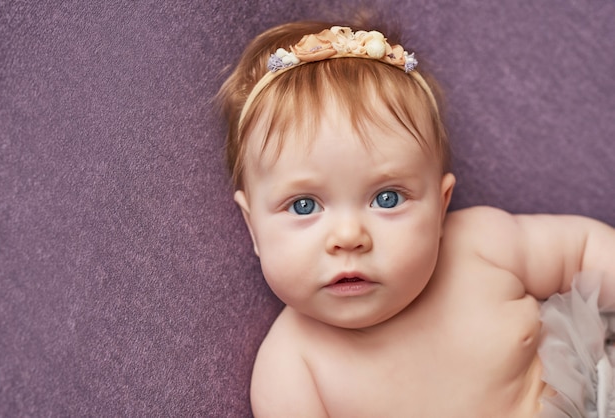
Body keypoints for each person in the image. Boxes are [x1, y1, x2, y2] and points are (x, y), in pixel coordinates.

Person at [217, 20, 615, 417]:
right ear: (253, 227)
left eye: (387, 198)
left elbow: (583, 251)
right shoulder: (292, 371)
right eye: (304, 205)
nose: (349, 236)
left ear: (441, 207)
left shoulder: (480, 245)